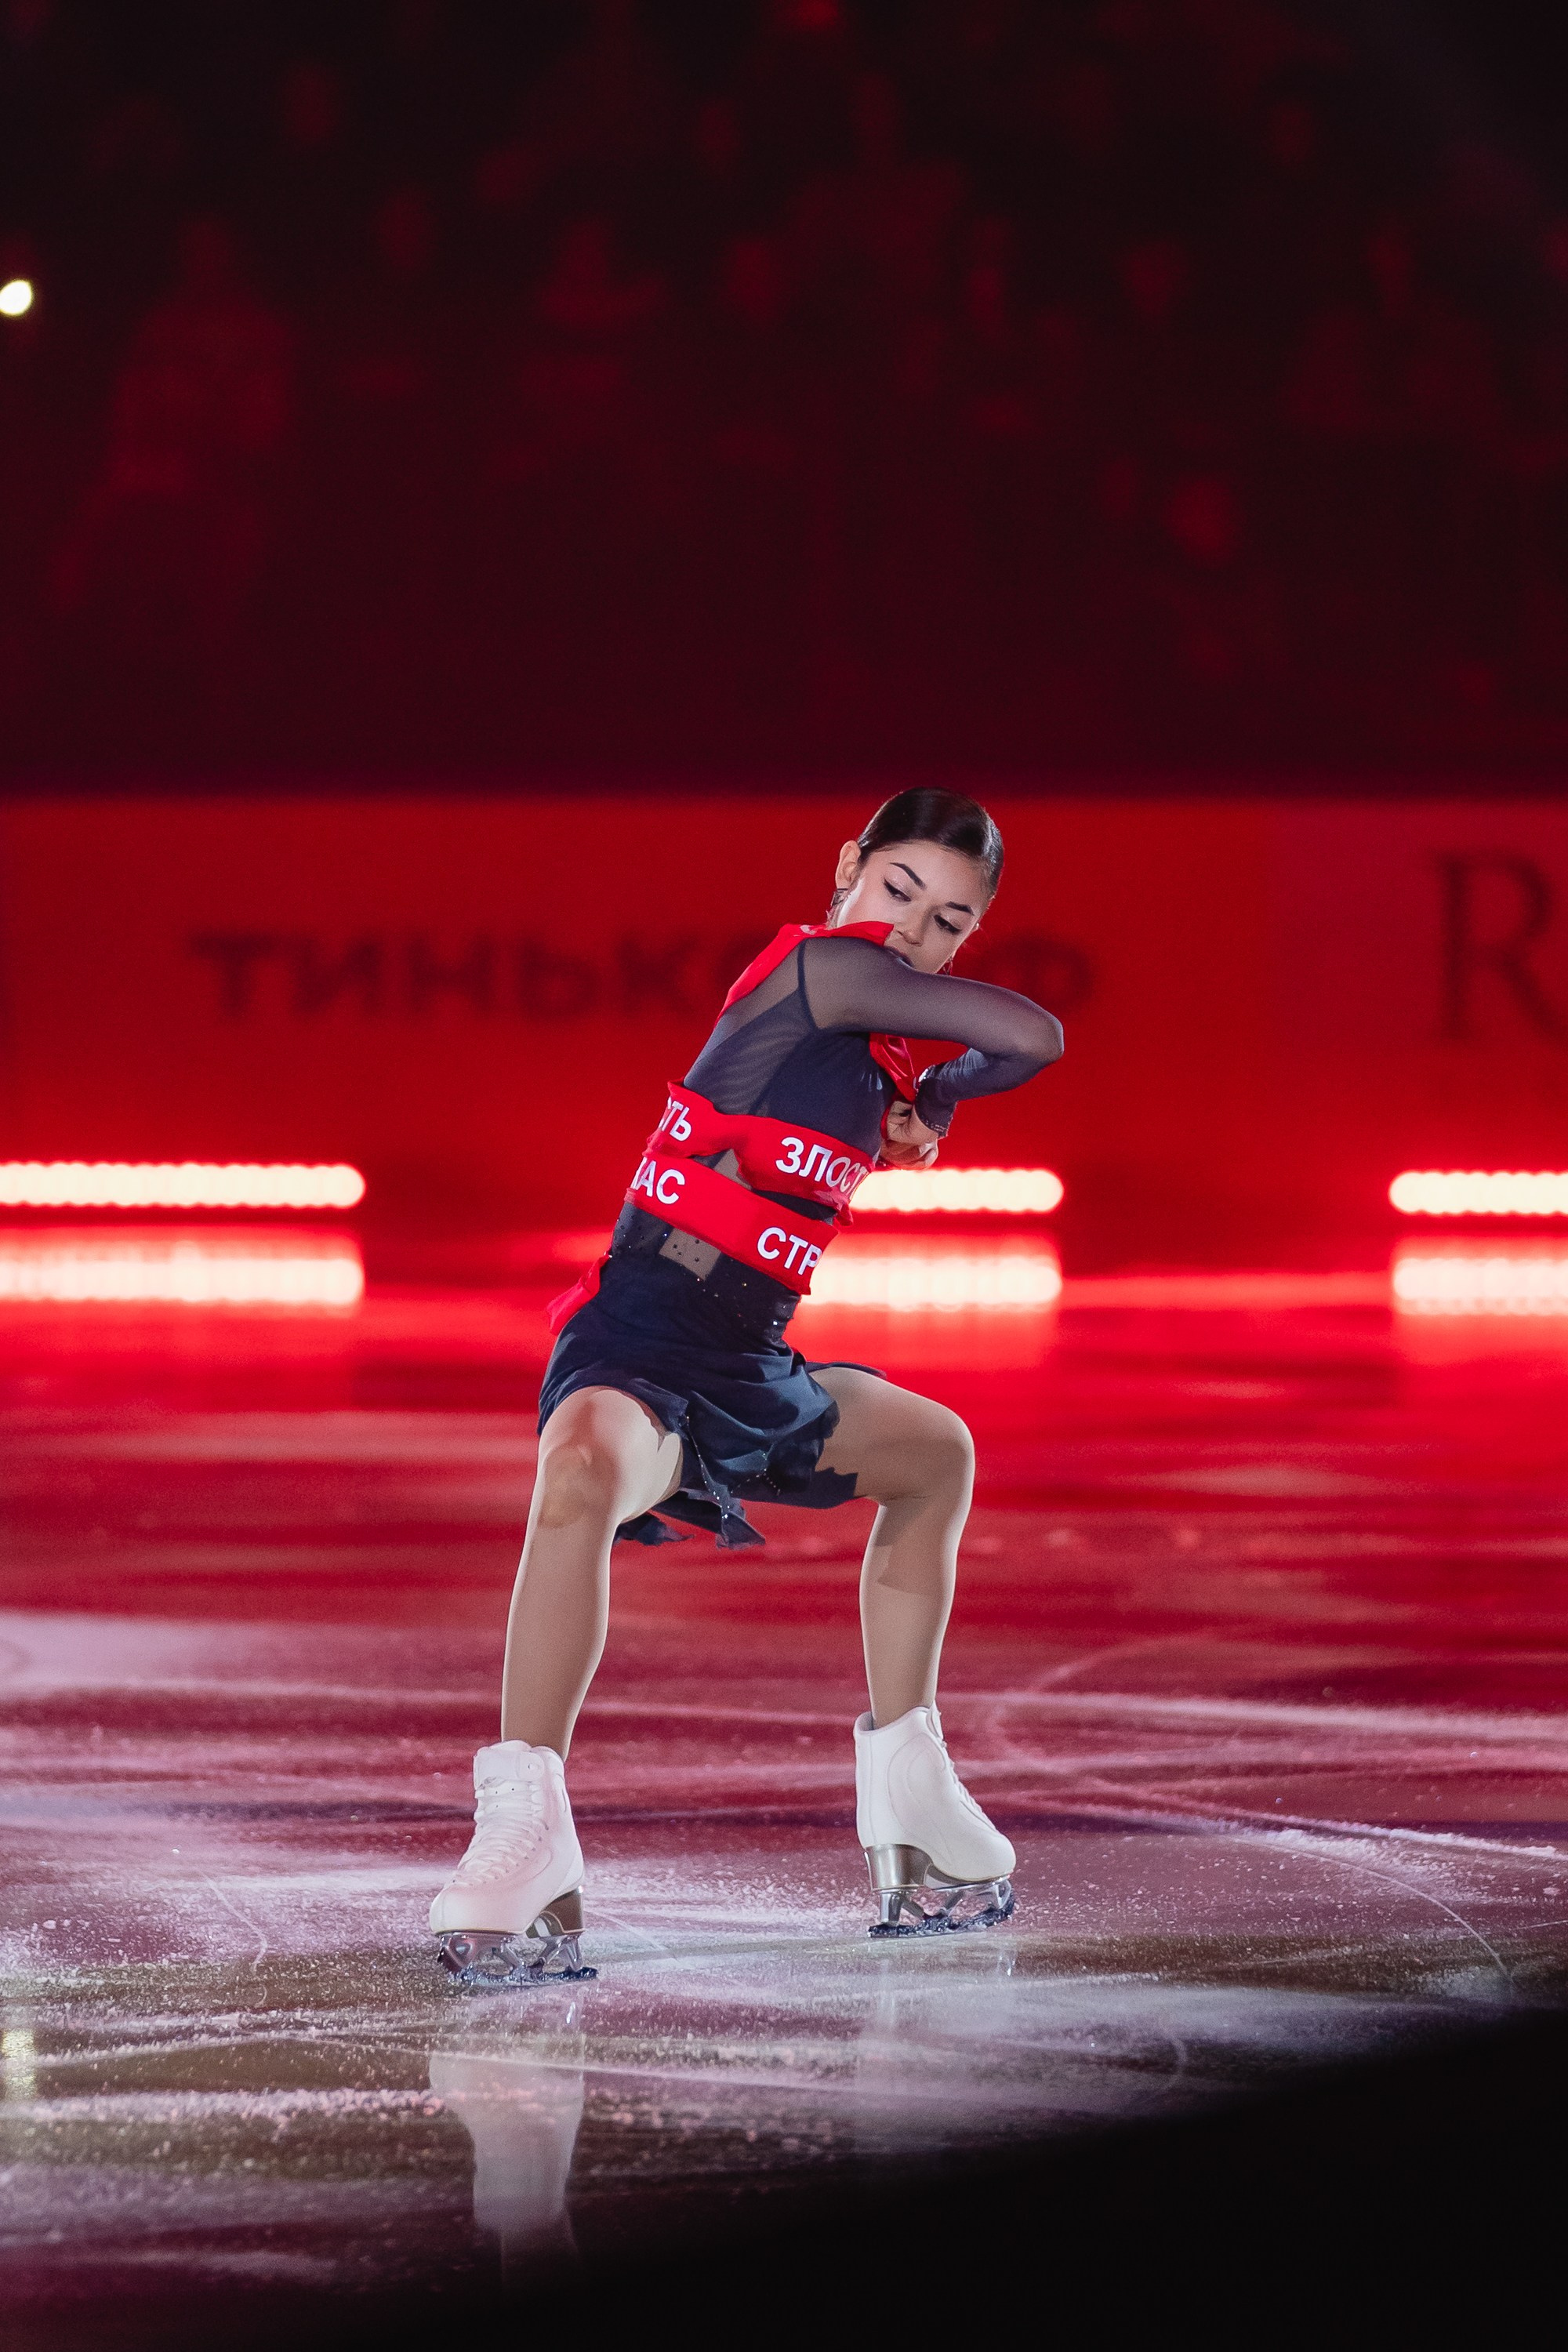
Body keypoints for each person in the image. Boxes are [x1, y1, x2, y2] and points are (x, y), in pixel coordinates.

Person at [430, 788, 1065, 1984]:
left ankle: (911, 1798)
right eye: (900, 891)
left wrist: (915, 1096)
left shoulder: (872, 1052)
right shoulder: (821, 974)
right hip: (639, 1340)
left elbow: (983, 1053)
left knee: (937, 1456)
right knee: (579, 1477)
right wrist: (937, 1095)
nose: (915, 932)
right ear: (847, 868)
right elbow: (1032, 1038)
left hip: (753, 1367)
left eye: (949, 922)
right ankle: (524, 1828)